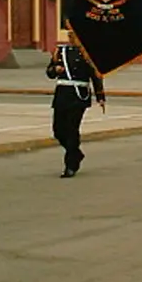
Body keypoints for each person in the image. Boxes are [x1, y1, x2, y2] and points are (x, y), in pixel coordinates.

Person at [46, 30, 105, 178]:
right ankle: (76, 153)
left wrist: (100, 96)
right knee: (58, 130)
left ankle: (70, 165)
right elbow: (49, 72)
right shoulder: (61, 51)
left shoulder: (88, 53)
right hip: (62, 94)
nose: (71, 38)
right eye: (70, 35)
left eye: (75, 35)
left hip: (79, 95)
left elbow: (96, 76)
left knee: (72, 129)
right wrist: (55, 69)